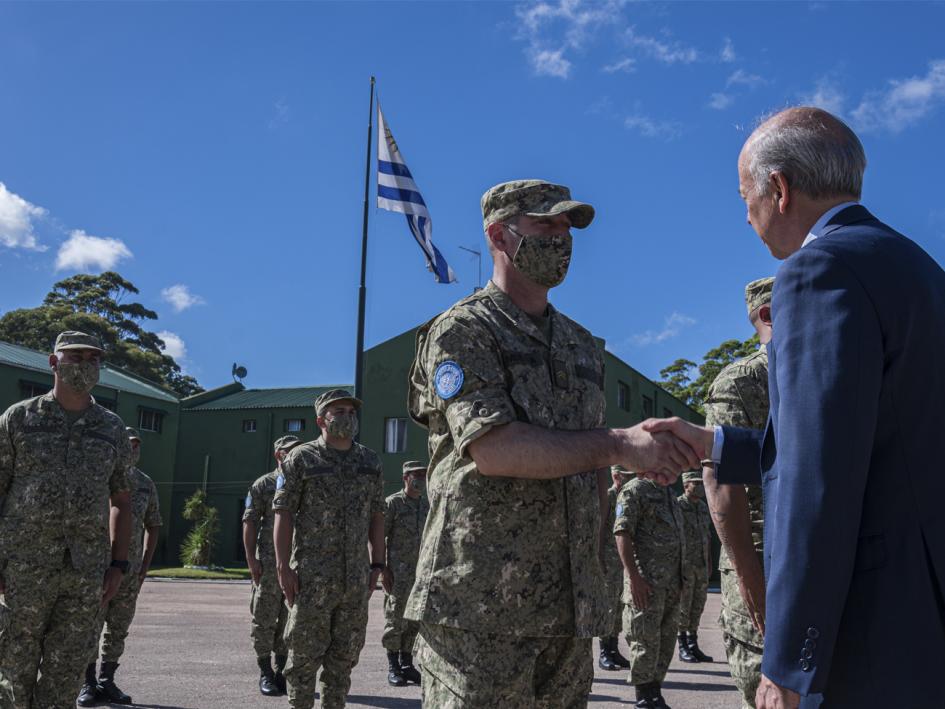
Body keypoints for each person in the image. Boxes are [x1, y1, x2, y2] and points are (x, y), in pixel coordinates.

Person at [646, 107, 945, 709]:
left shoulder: (817, 270)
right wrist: (714, 446)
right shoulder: (919, 267)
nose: (747, 215)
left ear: (778, 189)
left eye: (745, 196)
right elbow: (867, 439)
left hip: (867, 636)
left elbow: (818, 477)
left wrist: (790, 664)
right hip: (922, 616)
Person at [406, 179, 700, 708]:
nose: (561, 238)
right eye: (546, 225)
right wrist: (619, 445)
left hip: (570, 609)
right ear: (499, 234)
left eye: (567, 228)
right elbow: (494, 449)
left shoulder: (582, 346)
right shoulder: (464, 331)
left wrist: (651, 456)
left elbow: (590, 466)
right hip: (480, 608)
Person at [0, 331, 133, 708]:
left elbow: (121, 499)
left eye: (93, 359)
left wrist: (118, 564)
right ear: (53, 362)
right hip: (23, 569)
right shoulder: (19, 419)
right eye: (75, 357)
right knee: (13, 671)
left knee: (66, 674)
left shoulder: (111, 428)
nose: (85, 366)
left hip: (85, 572)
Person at [273, 389, 390, 709]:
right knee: (303, 658)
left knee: (344, 658)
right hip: (312, 578)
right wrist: (283, 567)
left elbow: (377, 515)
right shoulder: (301, 458)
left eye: (351, 412)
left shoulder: (370, 461)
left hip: (355, 579)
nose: (347, 417)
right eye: (338, 411)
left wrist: (377, 564)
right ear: (320, 419)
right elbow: (283, 512)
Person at [702, 277, 772, 707]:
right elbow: (722, 484)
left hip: (824, 555)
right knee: (765, 683)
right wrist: (749, 577)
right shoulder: (741, 384)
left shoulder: (829, 371)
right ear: (766, 314)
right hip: (761, 556)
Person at [77, 426, 163, 707]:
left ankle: (107, 680)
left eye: (137, 446)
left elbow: (153, 524)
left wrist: (145, 567)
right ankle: (87, 683)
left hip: (130, 568)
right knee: (91, 624)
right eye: (128, 445)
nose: (133, 450)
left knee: (118, 627)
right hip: (99, 565)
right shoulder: (97, 477)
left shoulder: (145, 483)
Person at [614, 475, 686, 708]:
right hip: (646, 584)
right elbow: (622, 532)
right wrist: (633, 577)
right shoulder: (634, 490)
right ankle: (644, 697)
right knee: (644, 640)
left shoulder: (670, 494)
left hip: (671, 585)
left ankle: (655, 692)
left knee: (665, 642)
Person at [243, 435, 302, 696]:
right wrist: (251, 559)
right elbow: (249, 521)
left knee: (289, 620)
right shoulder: (264, 485)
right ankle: (265, 671)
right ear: (279, 455)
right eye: (290, 452)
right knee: (264, 619)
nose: (295, 455)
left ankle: (281, 671)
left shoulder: (304, 484)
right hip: (267, 564)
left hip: (296, 563)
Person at [382, 460, 429, 687]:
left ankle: (407, 665)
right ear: (405, 478)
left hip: (420, 577)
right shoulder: (393, 503)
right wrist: (381, 568)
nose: (421, 478)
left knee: (413, 622)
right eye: (416, 475)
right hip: (397, 575)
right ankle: (393, 667)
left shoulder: (426, 506)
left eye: (423, 474)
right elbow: (378, 538)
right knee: (395, 621)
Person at [675, 471, 713, 664]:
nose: (699, 487)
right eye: (695, 483)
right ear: (686, 485)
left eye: (701, 483)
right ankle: (682, 646)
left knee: (697, 606)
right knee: (684, 606)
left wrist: (709, 563)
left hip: (701, 565)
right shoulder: (678, 506)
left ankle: (693, 644)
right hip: (685, 566)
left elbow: (707, 537)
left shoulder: (703, 507)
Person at [598, 464, 632, 672]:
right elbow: (600, 526)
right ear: (616, 476)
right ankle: (604, 652)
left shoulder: (628, 497)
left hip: (622, 562)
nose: (630, 479)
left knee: (619, 606)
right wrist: (599, 555)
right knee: (609, 605)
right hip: (609, 560)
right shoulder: (609, 496)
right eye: (626, 475)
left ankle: (613, 649)